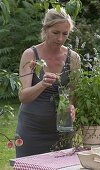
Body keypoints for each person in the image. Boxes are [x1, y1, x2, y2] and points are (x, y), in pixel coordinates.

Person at [16, 7, 80, 158]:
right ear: (45, 30)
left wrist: (72, 106)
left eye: (65, 34)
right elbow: (23, 96)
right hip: (32, 131)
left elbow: (73, 94)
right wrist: (42, 84)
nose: (60, 38)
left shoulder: (74, 58)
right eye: (55, 33)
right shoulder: (30, 55)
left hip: (63, 131)